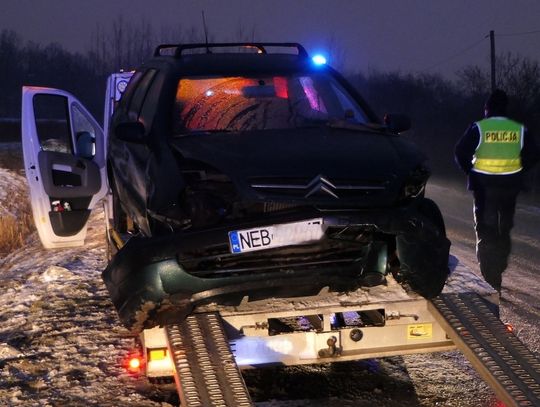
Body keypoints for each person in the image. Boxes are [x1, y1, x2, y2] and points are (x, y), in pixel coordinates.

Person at [454, 89, 539, 293]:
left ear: (487, 109)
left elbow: (460, 151)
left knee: (485, 230)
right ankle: (499, 266)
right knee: (504, 229)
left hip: (484, 188)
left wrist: (471, 172)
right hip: (509, 187)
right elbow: (534, 154)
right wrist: (519, 170)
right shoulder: (519, 129)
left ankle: (491, 277)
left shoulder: (479, 128)